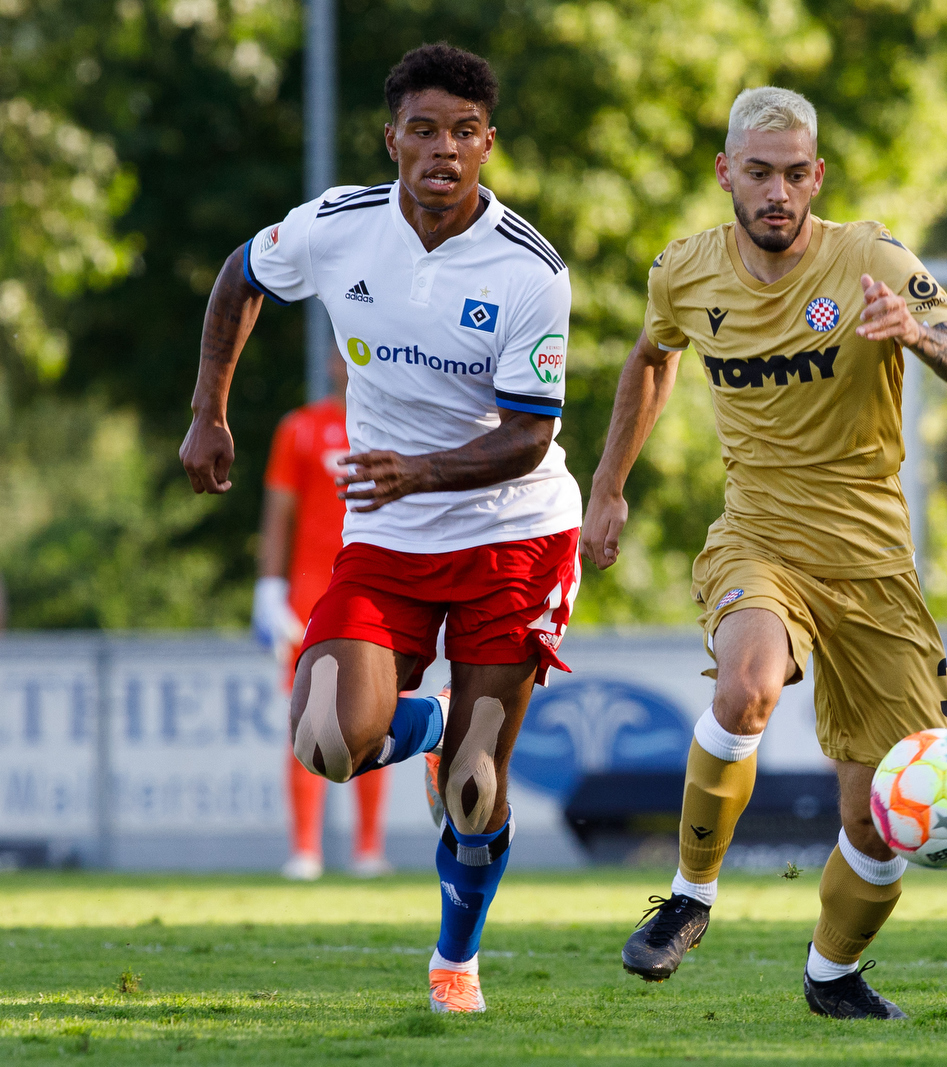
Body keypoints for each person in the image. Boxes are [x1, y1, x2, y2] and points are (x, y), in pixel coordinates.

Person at [580, 87, 947, 1020]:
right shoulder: (684, 272)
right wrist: (609, 485)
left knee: (879, 820)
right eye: (759, 171)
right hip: (758, 539)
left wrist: (919, 333)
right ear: (726, 173)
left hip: (873, 569)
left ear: (818, 175)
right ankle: (690, 898)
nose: (778, 191)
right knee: (747, 685)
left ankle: (830, 975)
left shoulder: (872, 257)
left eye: (794, 173)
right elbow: (653, 357)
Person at [180, 43, 582, 1014]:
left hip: (512, 533)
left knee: (476, 793)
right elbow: (240, 275)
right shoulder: (337, 226)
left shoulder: (531, 269)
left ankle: (455, 962)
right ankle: (435, 721)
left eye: (463, 131)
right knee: (323, 737)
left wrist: (423, 470)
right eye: (424, 128)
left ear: (488, 142)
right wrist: (208, 411)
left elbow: (530, 437)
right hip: (391, 537)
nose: (443, 148)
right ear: (390, 137)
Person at [254, 349, 393, 881]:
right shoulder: (301, 428)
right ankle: (305, 849)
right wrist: (269, 587)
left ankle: (368, 848)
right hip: (309, 597)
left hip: (378, 590)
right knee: (306, 719)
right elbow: (279, 512)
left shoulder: (397, 424)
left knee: (378, 714)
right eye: (337, 350)